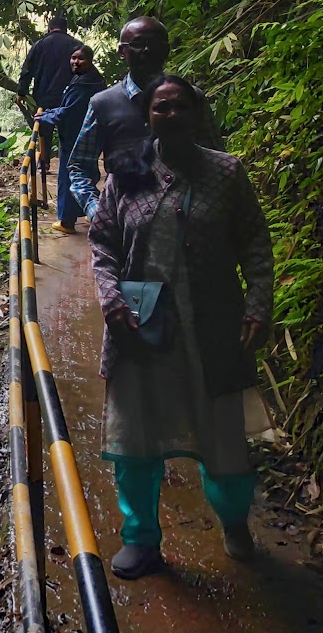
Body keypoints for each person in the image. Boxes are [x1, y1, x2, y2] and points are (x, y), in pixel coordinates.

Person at [88, 76, 274, 579]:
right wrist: (110, 300)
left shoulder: (226, 172)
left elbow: (255, 241)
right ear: (147, 116)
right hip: (139, 329)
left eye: (179, 107)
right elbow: (102, 245)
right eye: (159, 108)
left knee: (223, 438)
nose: (169, 116)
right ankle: (141, 538)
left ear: (196, 114)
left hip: (213, 331)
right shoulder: (126, 174)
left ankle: (234, 521)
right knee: (135, 438)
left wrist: (259, 304)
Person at [69, 16, 200, 219]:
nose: (147, 50)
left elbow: (214, 155)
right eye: (138, 44)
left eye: (154, 44)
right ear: (122, 51)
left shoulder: (191, 99)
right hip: (123, 224)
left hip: (189, 221)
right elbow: (79, 166)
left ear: (166, 49)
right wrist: (99, 213)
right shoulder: (103, 103)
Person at [38, 45, 107, 234]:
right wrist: (51, 112)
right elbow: (68, 105)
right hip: (89, 135)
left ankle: (67, 221)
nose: (75, 62)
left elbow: (69, 111)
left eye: (81, 59)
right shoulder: (90, 79)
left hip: (75, 137)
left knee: (68, 176)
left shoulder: (85, 84)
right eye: (73, 58)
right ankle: (87, 209)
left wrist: (46, 116)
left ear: (90, 60)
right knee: (87, 172)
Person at [17, 15, 84, 190]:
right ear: (66, 29)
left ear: (49, 28)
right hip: (69, 96)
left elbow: (27, 68)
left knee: (43, 130)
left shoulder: (39, 45)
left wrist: (21, 92)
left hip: (44, 95)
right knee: (68, 131)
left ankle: (44, 161)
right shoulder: (76, 45)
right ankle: (69, 165)